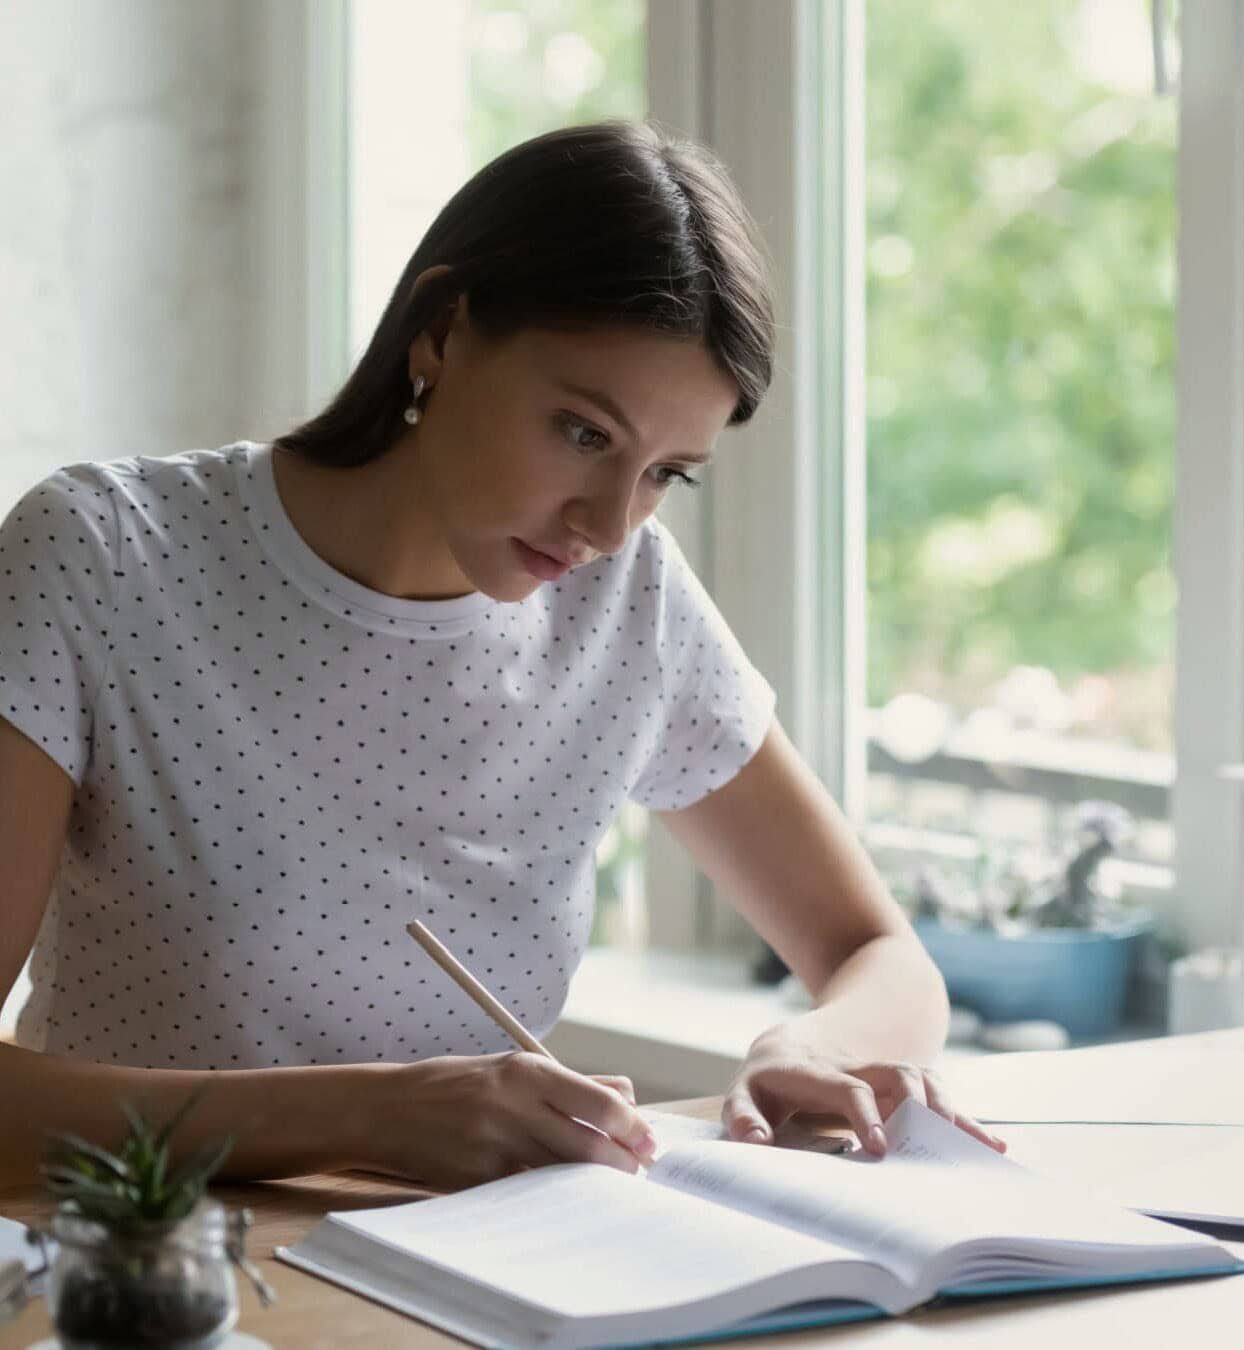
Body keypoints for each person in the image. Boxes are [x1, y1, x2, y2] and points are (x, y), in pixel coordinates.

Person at [0, 120, 1003, 1191]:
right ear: (441, 332)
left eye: (669, 472)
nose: (611, 523)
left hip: (474, 1290)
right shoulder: (102, 556)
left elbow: (884, 960)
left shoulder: (630, 606)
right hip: (151, 1292)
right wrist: (367, 1117)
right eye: (583, 432)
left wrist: (810, 1049)